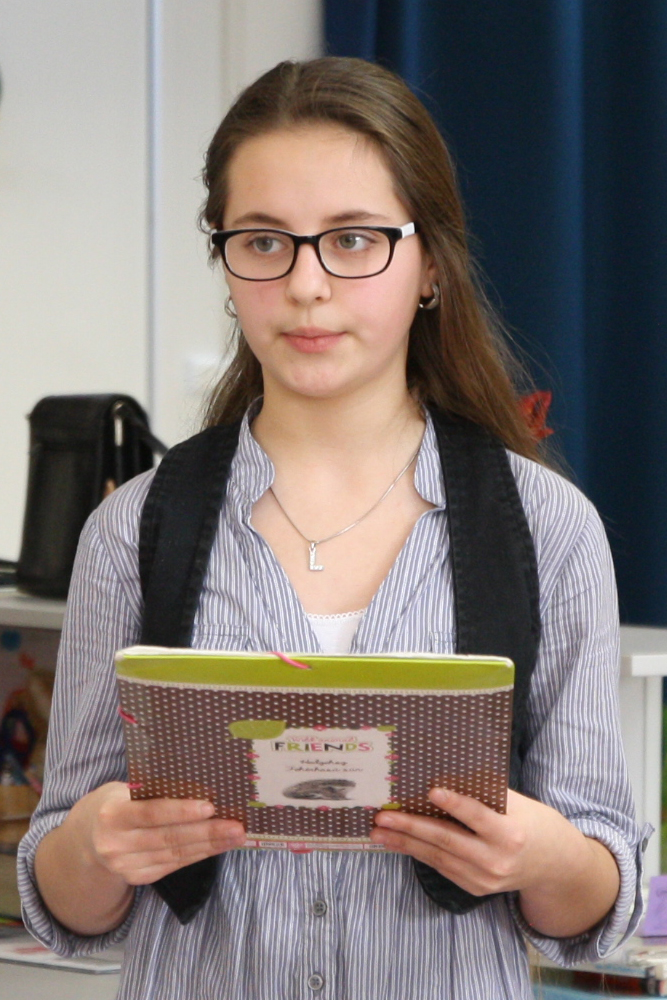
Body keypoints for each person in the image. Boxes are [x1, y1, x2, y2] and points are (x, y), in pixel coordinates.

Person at [18, 57, 646, 1000]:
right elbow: (68, 902)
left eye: (354, 239)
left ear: (428, 264)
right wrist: (96, 845)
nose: (306, 283)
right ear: (226, 264)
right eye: (263, 242)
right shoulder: (131, 529)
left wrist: (542, 856)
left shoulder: (547, 529)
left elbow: (594, 904)